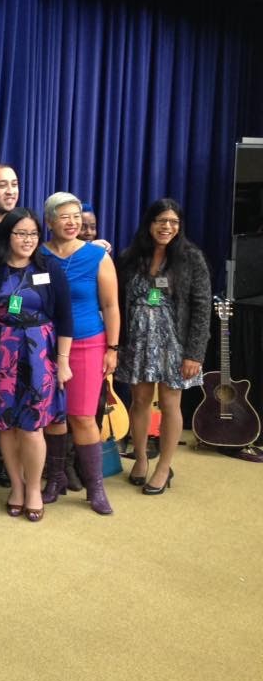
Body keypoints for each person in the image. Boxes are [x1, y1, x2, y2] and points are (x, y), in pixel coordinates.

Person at [115, 198, 211, 494]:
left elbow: (201, 305)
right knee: (140, 401)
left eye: (173, 222)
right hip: (138, 342)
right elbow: (117, 301)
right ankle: (142, 458)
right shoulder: (130, 256)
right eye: (161, 221)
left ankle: (164, 467)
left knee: (170, 404)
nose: (167, 227)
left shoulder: (191, 258)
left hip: (175, 344)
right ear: (149, 223)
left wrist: (194, 353)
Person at [0, 209, 73, 521]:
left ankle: (34, 487)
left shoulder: (50, 268)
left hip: (39, 353)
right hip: (3, 350)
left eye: (32, 234)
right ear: (8, 235)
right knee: (6, 424)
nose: (27, 240)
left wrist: (63, 362)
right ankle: (16, 486)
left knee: (32, 426)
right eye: (20, 233)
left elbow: (65, 318)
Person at [40, 192, 120, 515]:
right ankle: (55, 478)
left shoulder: (97, 256)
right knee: (52, 415)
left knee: (83, 416)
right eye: (64, 216)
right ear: (49, 222)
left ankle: (95, 487)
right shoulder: (39, 255)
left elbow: (111, 305)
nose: (72, 223)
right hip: (45, 344)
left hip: (88, 342)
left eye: (77, 216)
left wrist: (112, 348)